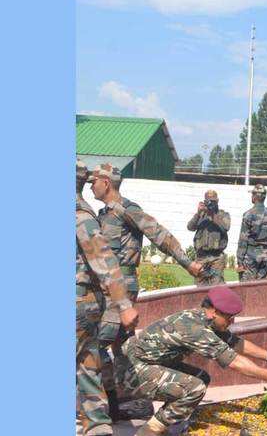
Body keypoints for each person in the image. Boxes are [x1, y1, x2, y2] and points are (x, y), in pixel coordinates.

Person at [89, 163, 204, 420]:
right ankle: (132, 401)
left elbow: (160, 235)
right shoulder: (103, 213)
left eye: (93, 181)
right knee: (123, 347)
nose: (91, 185)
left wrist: (188, 263)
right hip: (107, 287)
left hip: (120, 289)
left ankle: (104, 407)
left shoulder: (126, 210)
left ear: (106, 183)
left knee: (98, 345)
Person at [119, 286, 267, 436]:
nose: (232, 321)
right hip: (132, 372)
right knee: (195, 387)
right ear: (213, 312)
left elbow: (235, 343)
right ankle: (150, 431)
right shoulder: (194, 328)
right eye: (229, 317)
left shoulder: (205, 319)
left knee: (201, 377)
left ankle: (166, 421)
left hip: (150, 364)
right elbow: (234, 362)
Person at [76, 159, 139, 435]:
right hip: (91, 298)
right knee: (89, 360)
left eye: (96, 182)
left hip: (88, 297)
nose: (93, 185)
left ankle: (104, 416)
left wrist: (124, 304)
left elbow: (103, 257)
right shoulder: (92, 213)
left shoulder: (83, 215)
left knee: (94, 354)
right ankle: (100, 421)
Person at [187, 189, 231, 286]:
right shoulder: (201, 215)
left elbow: (226, 227)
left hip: (216, 258)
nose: (211, 203)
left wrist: (212, 215)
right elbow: (190, 227)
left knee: (217, 287)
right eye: (208, 201)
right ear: (205, 201)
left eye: (213, 201)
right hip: (201, 257)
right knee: (200, 287)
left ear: (217, 201)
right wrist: (198, 213)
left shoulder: (223, 214)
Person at [236, 184, 267, 282]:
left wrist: (240, 261)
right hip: (266, 257)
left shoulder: (248, 215)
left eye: (252, 194)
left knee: (246, 290)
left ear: (255, 197)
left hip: (250, 256)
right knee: (262, 291)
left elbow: (243, 240)